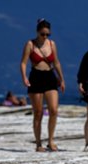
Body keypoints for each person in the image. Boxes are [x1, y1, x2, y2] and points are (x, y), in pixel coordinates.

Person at [20, 18, 66, 152]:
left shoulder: (52, 44)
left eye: (47, 34)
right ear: (37, 32)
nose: (45, 36)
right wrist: (24, 77)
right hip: (36, 77)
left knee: (53, 110)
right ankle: (38, 143)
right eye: (43, 34)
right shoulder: (30, 44)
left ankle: (51, 141)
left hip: (50, 77)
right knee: (38, 112)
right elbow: (23, 62)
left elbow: (56, 62)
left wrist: (61, 79)